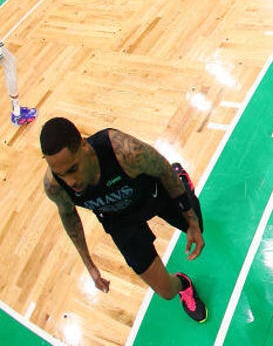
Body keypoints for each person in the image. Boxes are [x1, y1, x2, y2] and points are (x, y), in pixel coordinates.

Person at [39, 117, 207, 322]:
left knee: (198, 224)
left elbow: (162, 168)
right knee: (166, 292)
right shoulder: (55, 187)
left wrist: (191, 221)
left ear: (84, 145)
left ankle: (180, 178)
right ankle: (184, 285)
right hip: (120, 222)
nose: (70, 181)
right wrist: (89, 264)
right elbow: (68, 215)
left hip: (153, 194)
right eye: (61, 174)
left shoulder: (124, 151)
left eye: (73, 169)